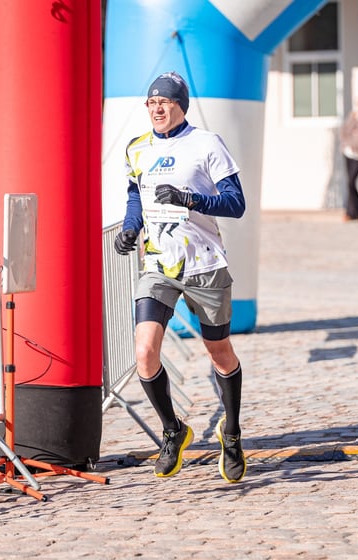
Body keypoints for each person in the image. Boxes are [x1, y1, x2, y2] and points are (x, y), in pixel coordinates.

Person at [113, 71, 248, 482]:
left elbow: (235, 203)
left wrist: (189, 199)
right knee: (144, 353)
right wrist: (130, 228)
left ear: (180, 106)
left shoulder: (206, 144)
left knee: (219, 352)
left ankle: (233, 432)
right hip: (158, 265)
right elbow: (136, 196)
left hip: (204, 265)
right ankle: (173, 430)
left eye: (165, 102)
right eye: (151, 102)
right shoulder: (137, 148)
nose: (156, 108)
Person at [339, 96, 358, 221]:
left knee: (352, 182)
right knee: (350, 182)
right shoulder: (353, 116)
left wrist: (354, 141)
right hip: (348, 153)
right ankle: (352, 212)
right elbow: (344, 131)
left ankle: (357, 210)